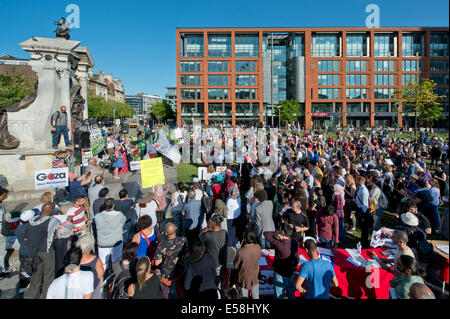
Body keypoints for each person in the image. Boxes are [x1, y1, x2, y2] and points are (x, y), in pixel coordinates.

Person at [24, 203, 61, 299]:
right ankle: (47, 296)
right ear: (51, 211)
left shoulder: (32, 220)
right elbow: (57, 233)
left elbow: (27, 236)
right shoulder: (53, 220)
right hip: (46, 250)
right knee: (48, 276)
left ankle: (33, 296)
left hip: (33, 251)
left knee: (35, 276)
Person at [264, 223, 299, 299]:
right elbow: (297, 258)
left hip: (280, 274)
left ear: (283, 232)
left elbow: (266, 234)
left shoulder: (280, 244)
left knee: (279, 295)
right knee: (291, 294)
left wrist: (277, 234)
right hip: (290, 273)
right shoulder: (294, 242)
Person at [154, 222, 189, 299]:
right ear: (175, 230)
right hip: (180, 271)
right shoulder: (183, 240)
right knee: (180, 292)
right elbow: (187, 254)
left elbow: (157, 262)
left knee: (166, 293)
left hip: (166, 274)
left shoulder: (161, 244)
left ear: (166, 233)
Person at [95, 198, 126, 270]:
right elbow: (122, 223)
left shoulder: (97, 216)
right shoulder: (119, 214)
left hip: (102, 243)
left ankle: (103, 278)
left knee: (103, 264)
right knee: (116, 263)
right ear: (113, 206)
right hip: (116, 242)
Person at [233, 230, 261, 299]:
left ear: (245, 239)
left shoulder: (241, 251)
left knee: (244, 297)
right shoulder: (258, 247)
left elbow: (235, 266)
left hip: (244, 278)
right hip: (255, 276)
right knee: (256, 297)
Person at [199, 215, 228, 281]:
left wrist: (207, 228)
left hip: (212, 264)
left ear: (214, 223)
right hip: (222, 263)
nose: (210, 221)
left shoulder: (208, 235)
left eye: (211, 221)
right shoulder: (224, 232)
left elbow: (200, 236)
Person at [15, 210, 34, 293]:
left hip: (22, 251)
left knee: (23, 269)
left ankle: (23, 285)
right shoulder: (30, 228)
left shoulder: (19, 228)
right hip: (30, 252)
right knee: (33, 269)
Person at [355, 176, 372, 249]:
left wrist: (364, 214)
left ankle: (364, 243)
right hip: (360, 210)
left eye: (357, 180)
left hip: (363, 212)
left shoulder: (363, 190)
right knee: (362, 228)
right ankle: (362, 239)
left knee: (364, 228)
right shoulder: (361, 189)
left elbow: (365, 204)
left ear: (360, 181)